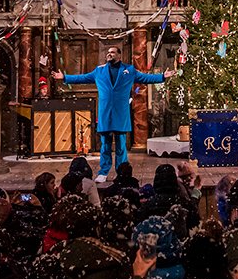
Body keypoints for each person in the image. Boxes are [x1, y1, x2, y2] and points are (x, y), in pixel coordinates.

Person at [53, 46, 174, 182]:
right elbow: (83, 77)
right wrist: (64, 77)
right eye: (108, 53)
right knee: (105, 144)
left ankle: (122, 173)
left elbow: (145, 78)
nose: (109, 54)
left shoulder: (129, 70)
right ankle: (103, 172)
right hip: (105, 112)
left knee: (121, 145)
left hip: (120, 113)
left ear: (119, 55)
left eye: (112, 52)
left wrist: (163, 76)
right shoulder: (99, 71)